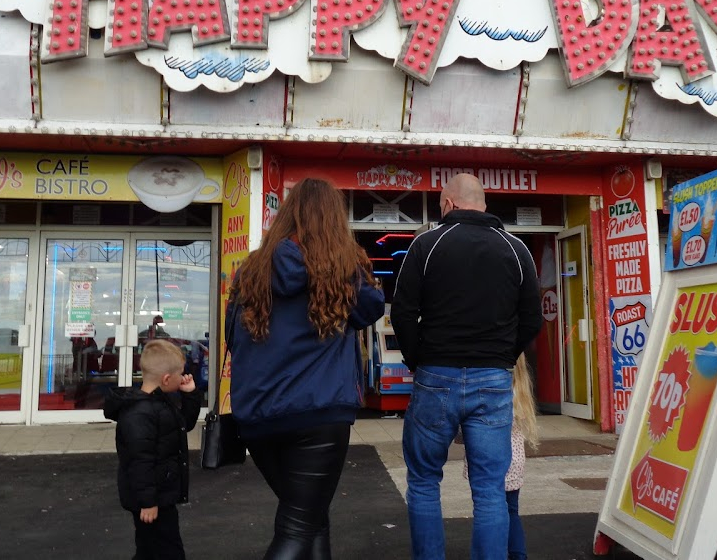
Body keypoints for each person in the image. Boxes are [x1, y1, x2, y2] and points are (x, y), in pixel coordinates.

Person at [227, 177, 385, 560]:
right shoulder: (341, 269)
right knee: (298, 527)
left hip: (258, 416)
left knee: (312, 517)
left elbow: (233, 337)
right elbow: (372, 309)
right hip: (318, 414)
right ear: (333, 218)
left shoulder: (251, 270)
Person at [391, 173, 542, 560]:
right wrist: (504, 358)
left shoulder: (425, 246)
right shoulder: (517, 250)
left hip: (435, 376)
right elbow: (532, 319)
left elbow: (404, 314)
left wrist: (417, 361)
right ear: (483, 205)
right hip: (493, 380)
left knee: (424, 480)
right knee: (490, 488)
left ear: (447, 203)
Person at [104, 339, 203, 560]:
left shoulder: (161, 404)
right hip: (151, 499)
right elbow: (140, 462)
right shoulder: (140, 414)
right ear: (166, 379)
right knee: (168, 550)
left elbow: (184, 423)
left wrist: (190, 394)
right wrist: (148, 502)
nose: (183, 377)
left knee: (150, 549)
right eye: (180, 374)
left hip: (160, 495)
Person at [463, 354, 541, 560]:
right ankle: (518, 554)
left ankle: (489, 553)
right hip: (514, 458)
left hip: (489, 455)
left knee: (486, 507)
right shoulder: (520, 391)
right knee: (511, 510)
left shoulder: (491, 390)